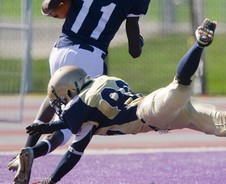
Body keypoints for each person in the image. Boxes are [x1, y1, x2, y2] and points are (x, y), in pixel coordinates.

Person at [13, 18, 226, 184]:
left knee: (180, 88)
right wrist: (37, 150)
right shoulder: (102, 79)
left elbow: (70, 143)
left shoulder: (83, 103)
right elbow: (72, 141)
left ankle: (199, 44)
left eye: (62, 98)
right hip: (169, 117)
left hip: (149, 112)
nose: (61, 104)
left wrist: (51, 179)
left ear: (70, 89)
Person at [8, 0, 151, 172]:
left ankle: (23, 151)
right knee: (69, 124)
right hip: (90, 59)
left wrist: (53, 9)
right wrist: (140, 42)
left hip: (61, 50)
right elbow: (134, 51)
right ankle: (32, 152)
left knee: (53, 98)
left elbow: (49, 7)